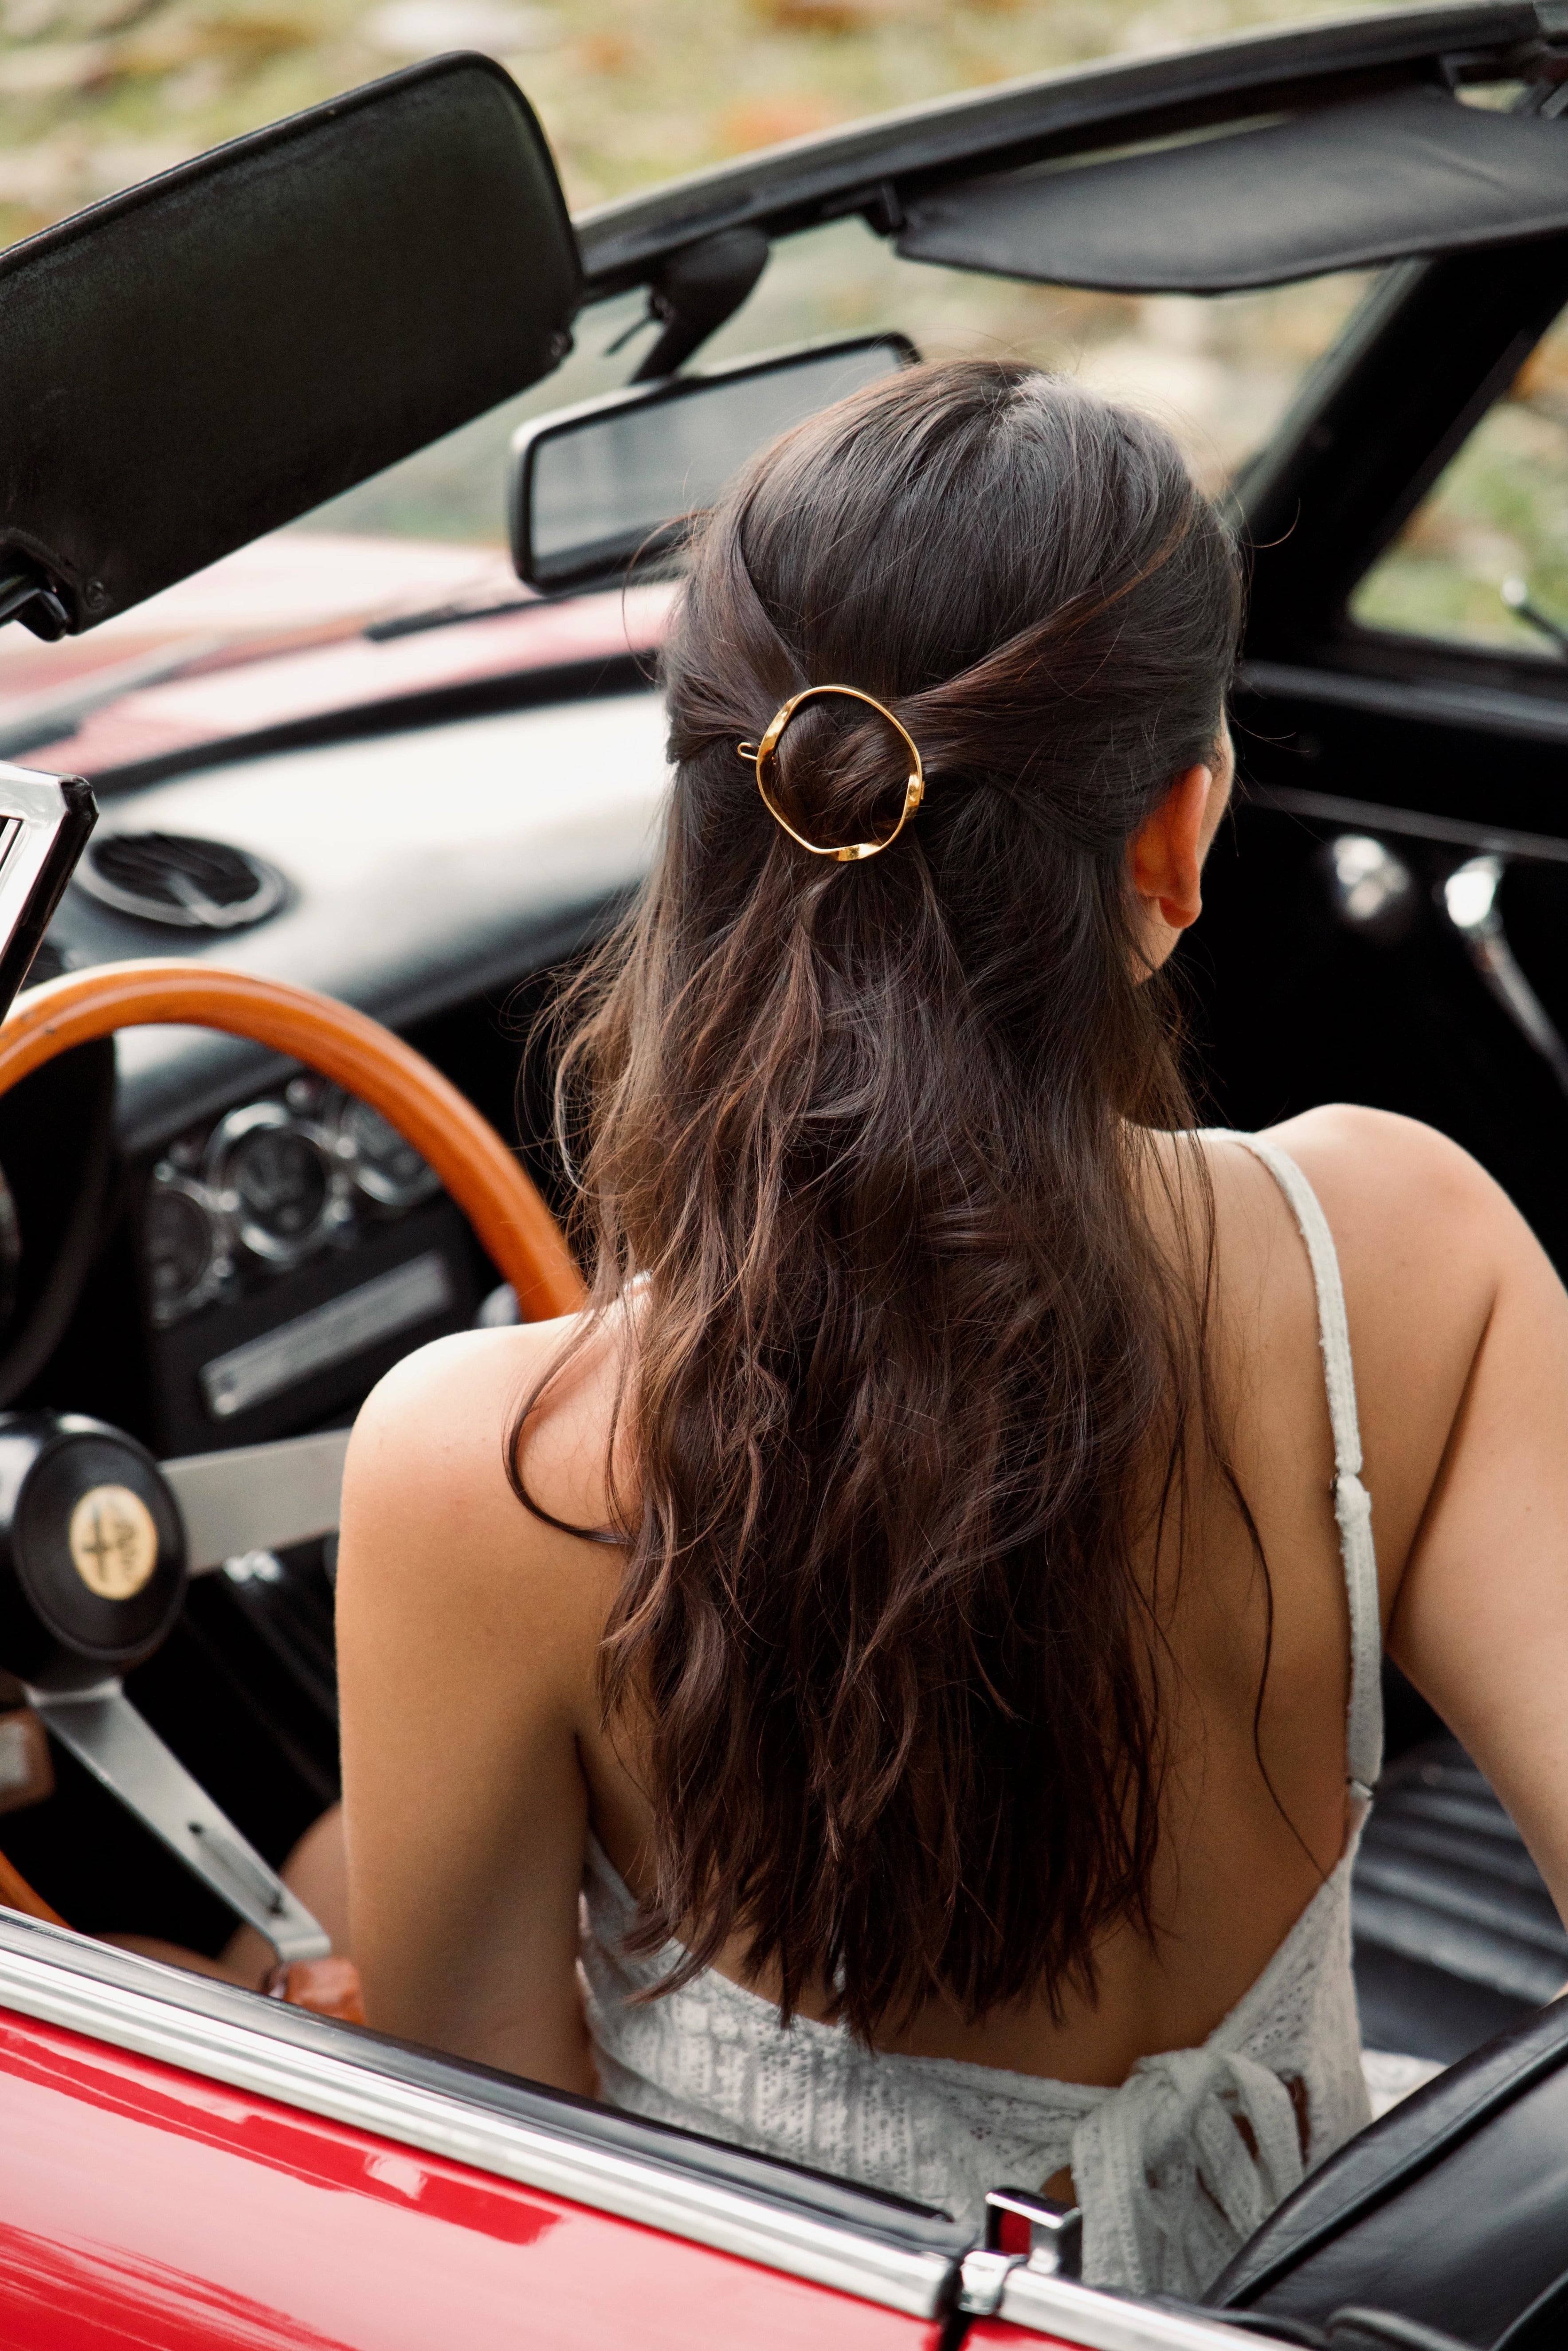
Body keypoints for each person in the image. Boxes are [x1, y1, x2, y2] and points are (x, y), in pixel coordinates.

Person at [334, 361, 1568, 2298]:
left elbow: (495, 2237)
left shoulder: (480, 1469)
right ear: (1173, 840)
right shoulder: (1410, 1256)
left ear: (710, 829)